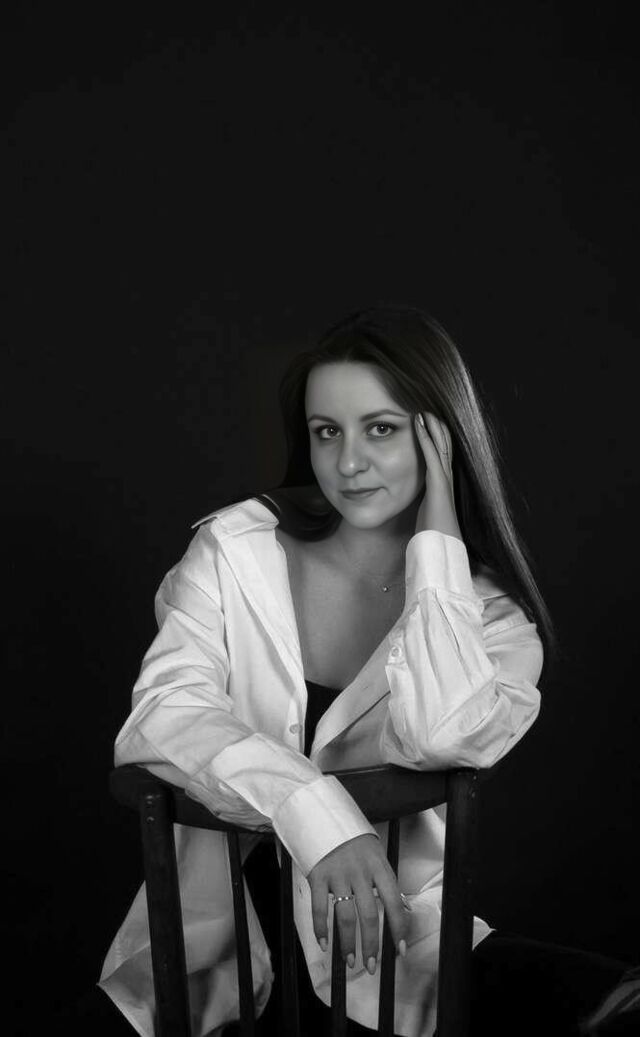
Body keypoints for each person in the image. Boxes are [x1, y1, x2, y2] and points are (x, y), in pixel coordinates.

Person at [90, 306, 637, 1036]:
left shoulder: (492, 621)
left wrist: (437, 546)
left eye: (381, 428)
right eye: (327, 432)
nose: (347, 463)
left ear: (442, 436)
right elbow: (164, 714)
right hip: (223, 960)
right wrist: (317, 815)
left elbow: (441, 735)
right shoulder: (234, 550)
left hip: (397, 956)